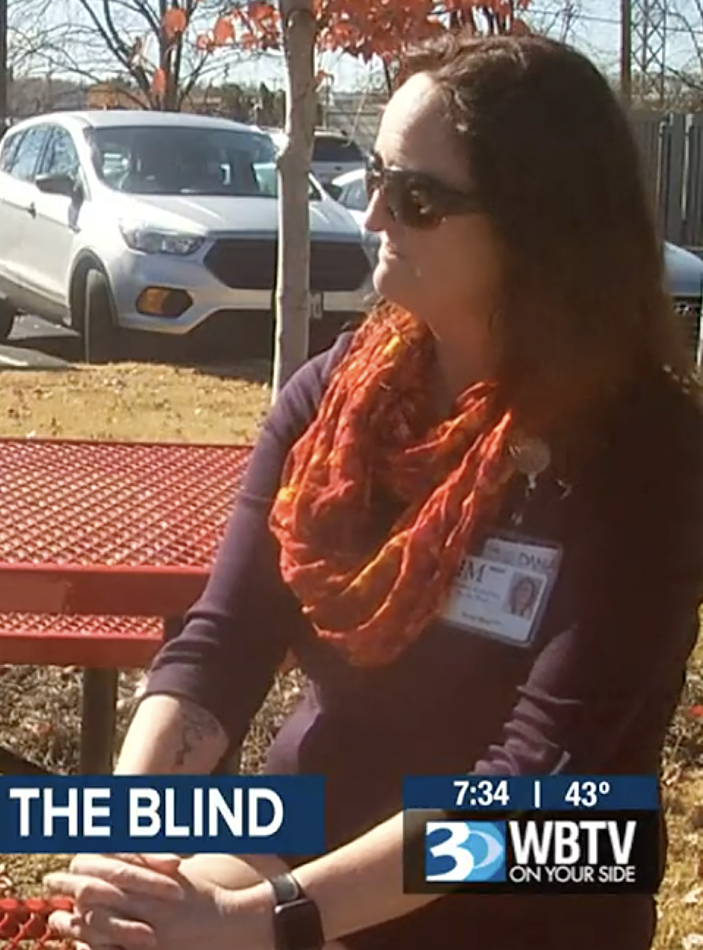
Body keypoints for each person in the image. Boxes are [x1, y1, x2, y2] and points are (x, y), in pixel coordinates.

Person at [46, 33, 703, 950]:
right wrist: (131, 844)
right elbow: (223, 644)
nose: (371, 220)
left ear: (538, 226)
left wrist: (264, 923)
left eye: (416, 198)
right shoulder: (336, 396)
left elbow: (530, 794)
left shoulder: (646, 454)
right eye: (374, 180)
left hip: (529, 899)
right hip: (310, 837)